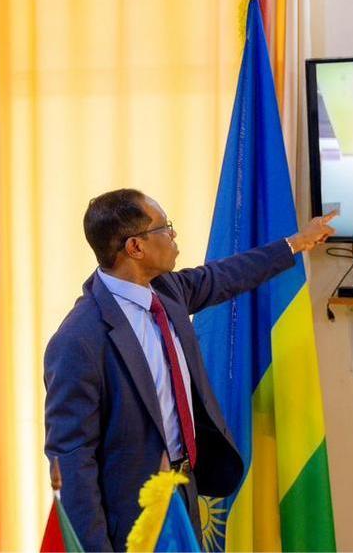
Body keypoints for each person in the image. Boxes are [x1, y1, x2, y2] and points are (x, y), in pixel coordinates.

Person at [43, 188, 335, 551]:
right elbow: (72, 461)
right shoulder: (79, 340)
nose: (173, 234)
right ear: (135, 247)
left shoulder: (167, 291)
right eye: (164, 228)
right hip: (131, 522)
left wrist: (296, 243)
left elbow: (225, 275)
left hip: (183, 494)